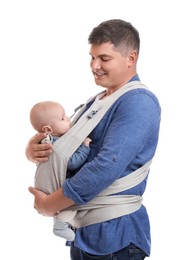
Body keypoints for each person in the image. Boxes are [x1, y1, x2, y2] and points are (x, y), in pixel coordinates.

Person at [26, 19, 161, 260]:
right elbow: (64, 147)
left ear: (131, 58)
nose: (94, 65)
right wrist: (32, 149)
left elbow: (104, 168)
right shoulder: (95, 102)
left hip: (115, 236)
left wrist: (49, 205)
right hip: (84, 235)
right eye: (92, 57)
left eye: (104, 58)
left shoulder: (138, 102)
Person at [29, 100, 91, 244]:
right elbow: (73, 162)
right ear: (48, 130)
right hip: (52, 187)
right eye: (63, 118)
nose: (68, 119)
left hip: (44, 184)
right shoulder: (56, 147)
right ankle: (60, 226)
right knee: (68, 208)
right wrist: (85, 147)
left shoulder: (48, 142)